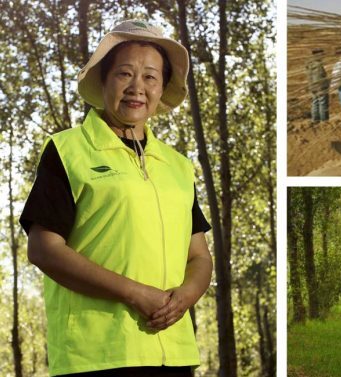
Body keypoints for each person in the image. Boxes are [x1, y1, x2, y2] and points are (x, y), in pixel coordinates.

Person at [19, 20, 213, 377]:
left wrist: (186, 295)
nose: (137, 87)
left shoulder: (178, 167)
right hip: (96, 356)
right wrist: (134, 293)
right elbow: (43, 248)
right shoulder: (67, 150)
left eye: (151, 77)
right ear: (104, 80)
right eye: (125, 74)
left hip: (174, 353)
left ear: (162, 87)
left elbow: (199, 256)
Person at [306, 48, 330, 122]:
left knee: (315, 103)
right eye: (322, 55)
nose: (323, 56)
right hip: (320, 87)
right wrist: (327, 83)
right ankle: (324, 121)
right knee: (322, 103)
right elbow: (320, 77)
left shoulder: (310, 65)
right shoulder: (318, 65)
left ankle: (315, 120)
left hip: (313, 87)